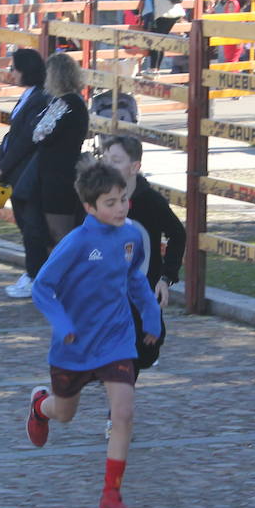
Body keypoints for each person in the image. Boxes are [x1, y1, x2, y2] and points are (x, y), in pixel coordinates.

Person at [25, 160, 163, 508]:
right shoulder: (76, 243)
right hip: (74, 344)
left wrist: (151, 317)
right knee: (65, 413)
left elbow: (135, 279)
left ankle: (110, 497)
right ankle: (41, 406)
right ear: (89, 207)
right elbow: (42, 287)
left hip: (117, 339)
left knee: (124, 412)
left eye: (122, 200)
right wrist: (61, 322)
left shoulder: (131, 235)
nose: (119, 208)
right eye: (110, 203)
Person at [101, 136, 185, 372]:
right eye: (105, 159)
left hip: (142, 290)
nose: (108, 166)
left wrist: (166, 278)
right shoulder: (96, 200)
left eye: (115, 160)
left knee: (146, 351)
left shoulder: (151, 202)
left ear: (134, 167)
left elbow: (178, 234)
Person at [0, 48, 52, 297]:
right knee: (25, 223)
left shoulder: (40, 98)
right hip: (15, 170)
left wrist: (5, 164)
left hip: (26, 171)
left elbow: (26, 139)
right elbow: (12, 134)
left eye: (15, 68)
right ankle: (34, 272)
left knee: (33, 226)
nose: (12, 73)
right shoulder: (28, 96)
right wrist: (0, 158)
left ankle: (35, 275)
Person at [23, 52, 89, 246]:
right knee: (52, 232)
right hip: (52, 176)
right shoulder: (64, 102)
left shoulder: (69, 103)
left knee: (60, 233)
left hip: (60, 178)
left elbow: (39, 134)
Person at [137, 0, 185, 73]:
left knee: (155, 40)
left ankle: (153, 68)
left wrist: (138, 11)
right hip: (175, 13)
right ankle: (156, 68)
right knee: (161, 40)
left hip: (163, 14)